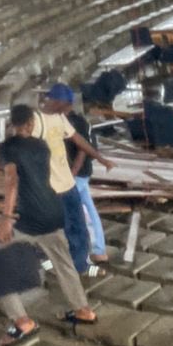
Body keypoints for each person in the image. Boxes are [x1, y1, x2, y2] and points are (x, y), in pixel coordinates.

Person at [0, 103, 97, 345]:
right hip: (53, 211)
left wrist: (6, 218)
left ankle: (22, 323)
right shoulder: (41, 146)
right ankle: (84, 310)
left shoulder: (7, 148)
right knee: (63, 263)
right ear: (31, 124)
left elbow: (12, 182)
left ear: (12, 123)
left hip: (28, 218)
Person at [32, 84, 112, 277]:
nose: (66, 108)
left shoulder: (65, 120)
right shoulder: (36, 122)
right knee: (63, 226)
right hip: (53, 185)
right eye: (64, 104)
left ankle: (81, 264)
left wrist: (99, 159)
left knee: (78, 224)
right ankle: (58, 263)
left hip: (70, 181)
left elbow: (80, 143)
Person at [66, 103, 109, 267]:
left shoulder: (73, 123)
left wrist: (73, 173)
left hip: (76, 174)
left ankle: (83, 254)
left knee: (78, 212)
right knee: (88, 208)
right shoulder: (79, 120)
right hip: (81, 173)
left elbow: (82, 149)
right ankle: (98, 250)